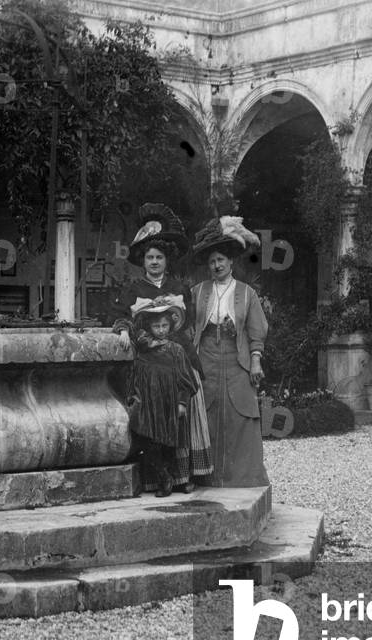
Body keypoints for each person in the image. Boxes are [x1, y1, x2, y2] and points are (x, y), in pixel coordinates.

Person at [110, 203, 213, 492]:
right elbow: (118, 316)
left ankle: (184, 476)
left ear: (167, 261)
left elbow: (189, 321)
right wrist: (122, 329)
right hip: (149, 364)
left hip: (178, 360)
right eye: (149, 257)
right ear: (143, 261)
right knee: (153, 417)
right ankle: (158, 476)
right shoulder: (133, 289)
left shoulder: (180, 288)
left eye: (159, 257)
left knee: (182, 415)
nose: (154, 262)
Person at [189, 216, 270, 488]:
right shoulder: (198, 292)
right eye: (212, 261)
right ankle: (206, 478)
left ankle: (243, 478)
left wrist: (256, 361)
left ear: (231, 262)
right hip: (206, 357)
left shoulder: (247, 294)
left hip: (238, 358)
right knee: (205, 411)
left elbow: (256, 330)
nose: (217, 265)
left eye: (221, 260)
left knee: (241, 413)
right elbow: (188, 327)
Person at [126, 297, 199, 497]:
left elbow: (186, 380)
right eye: (156, 326)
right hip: (148, 404)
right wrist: (133, 397)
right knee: (148, 440)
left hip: (168, 404)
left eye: (165, 325)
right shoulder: (143, 351)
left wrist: (182, 402)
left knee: (167, 443)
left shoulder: (175, 350)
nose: (161, 330)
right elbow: (135, 376)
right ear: (149, 326)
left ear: (171, 325)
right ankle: (162, 476)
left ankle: (168, 480)